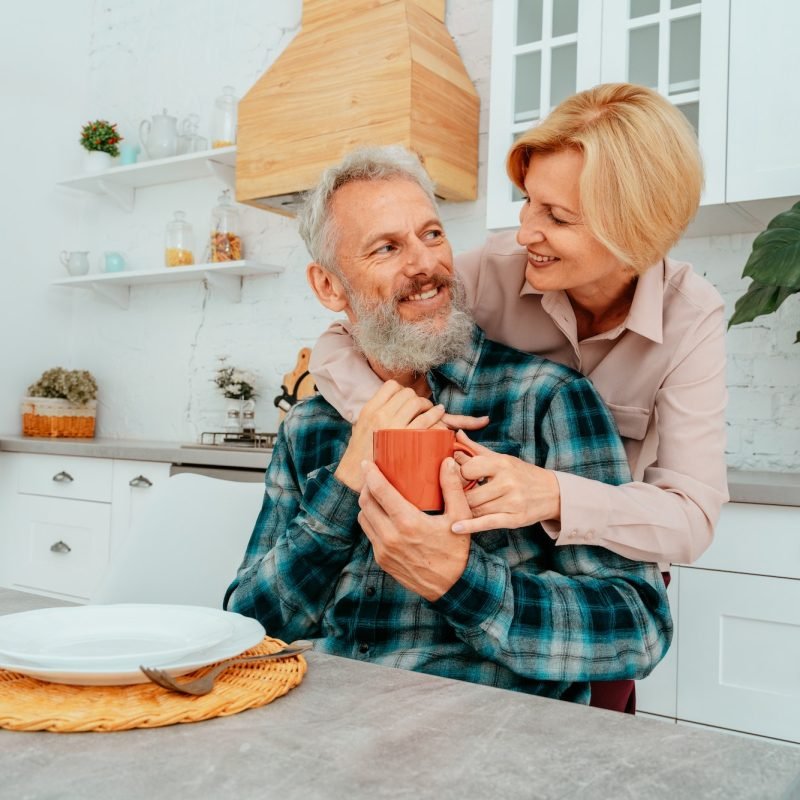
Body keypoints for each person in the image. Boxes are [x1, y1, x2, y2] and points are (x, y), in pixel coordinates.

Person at [308, 83, 729, 713]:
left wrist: (551, 492)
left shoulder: (690, 319)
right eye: (529, 202)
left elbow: (691, 518)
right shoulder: (493, 269)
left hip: (603, 566)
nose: (526, 230)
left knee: (592, 703)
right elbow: (348, 337)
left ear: (632, 231)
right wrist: (401, 423)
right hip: (480, 554)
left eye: (556, 217)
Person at [225, 145, 672, 705]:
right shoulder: (310, 426)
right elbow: (246, 629)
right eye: (387, 247)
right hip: (326, 719)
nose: (425, 265)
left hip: (484, 732)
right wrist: (342, 490)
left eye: (432, 235)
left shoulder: (547, 398)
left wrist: (459, 581)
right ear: (330, 287)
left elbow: (639, 628)